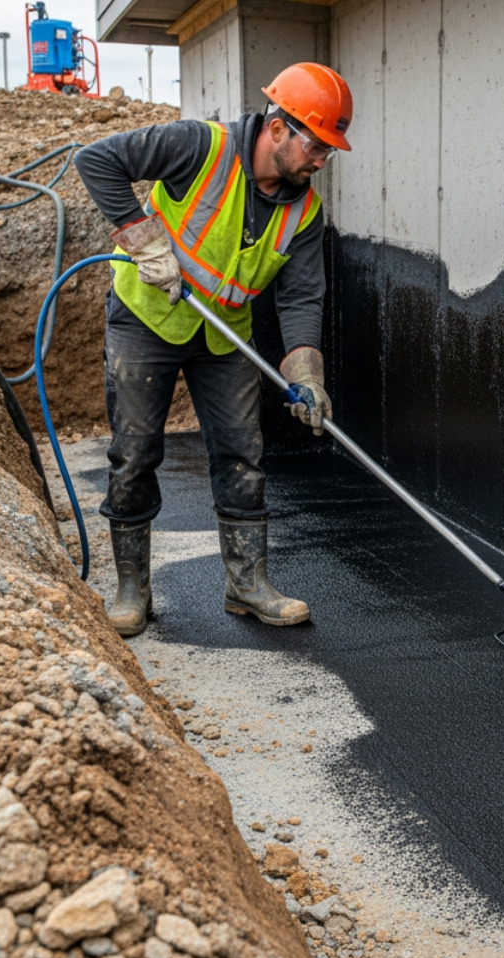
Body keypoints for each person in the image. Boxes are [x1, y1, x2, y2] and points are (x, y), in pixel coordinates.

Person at [73, 62, 352, 636]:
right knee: (135, 451)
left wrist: (307, 373)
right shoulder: (200, 146)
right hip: (147, 317)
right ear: (278, 128)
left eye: (330, 148)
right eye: (317, 144)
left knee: (243, 452)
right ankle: (132, 589)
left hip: (222, 333)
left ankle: (247, 584)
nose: (323, 159)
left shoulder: (304, 211)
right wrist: (139, 235)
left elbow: (301, 298)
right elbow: (95, 159)